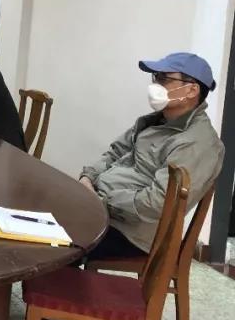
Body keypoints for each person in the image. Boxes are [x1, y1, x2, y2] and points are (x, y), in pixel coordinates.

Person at [80, 54, 223, 261]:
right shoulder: (155, 122)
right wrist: (88, 178)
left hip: (132, 233)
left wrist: (101, 201)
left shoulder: (198, 143)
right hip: (103, 210)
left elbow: (158, 203)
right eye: (156, 77)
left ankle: (60, 281)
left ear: (192, 90)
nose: (156, 85)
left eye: (164, 78)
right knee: (48, 214)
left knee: (60, 237)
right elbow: (114, 152)